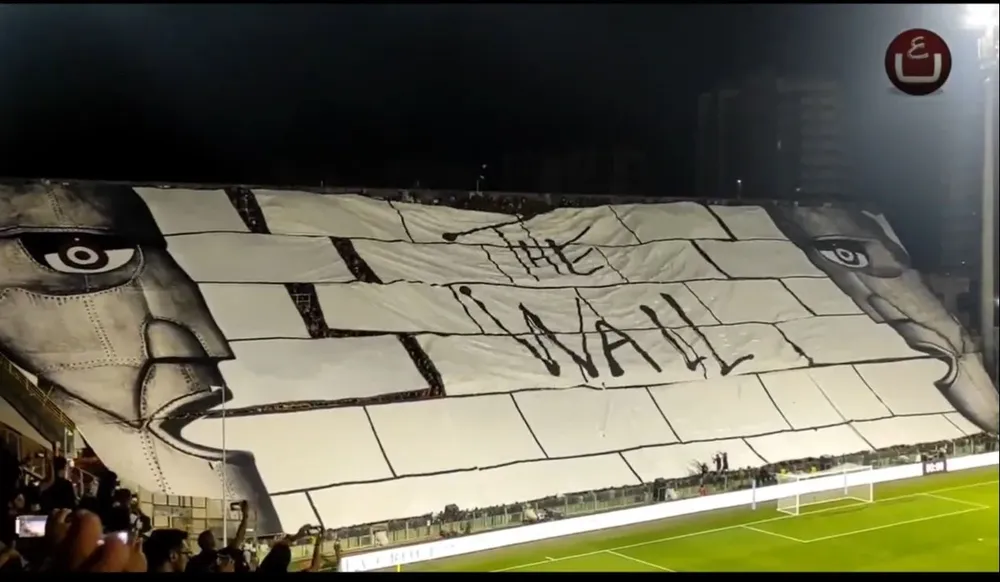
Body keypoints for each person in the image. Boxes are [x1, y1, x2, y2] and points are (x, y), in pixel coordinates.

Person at [186, 499, 250, 572]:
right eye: (214, 537)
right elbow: (239, 538)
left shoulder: (193, 562)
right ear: (213, 542)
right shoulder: (219, 557)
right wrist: (245, 516)